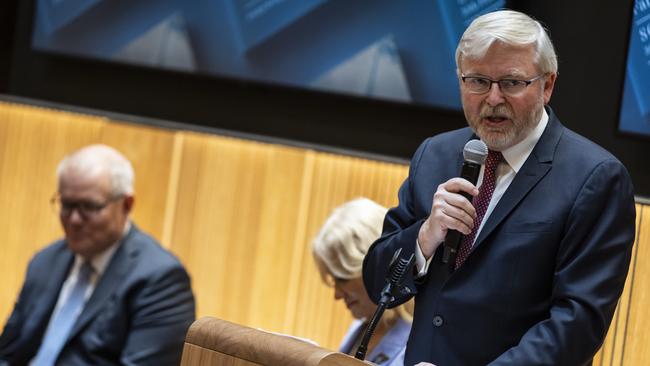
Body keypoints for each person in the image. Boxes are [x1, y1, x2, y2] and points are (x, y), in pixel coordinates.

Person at [362, 10, 636, 366]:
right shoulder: (435, 155)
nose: (492, 99)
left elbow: (576, 326)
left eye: (510, 82)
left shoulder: (596, 179)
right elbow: (375, 283)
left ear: (547, 85)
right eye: (477, 81)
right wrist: (424, 237)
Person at [0, 144, 196, 365]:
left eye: (89, 207)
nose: (73, 219)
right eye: (67, 204)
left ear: (126, 204)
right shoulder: (46, 261)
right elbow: (7, 353)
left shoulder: (161, 279)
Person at [312, 198, 412, 366]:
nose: (336, 295)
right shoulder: (359, 328)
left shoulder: (419, 344)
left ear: (377, 266)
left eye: (342, 278)